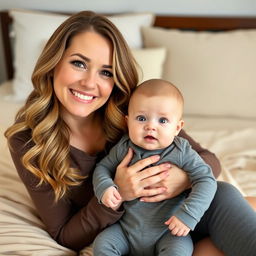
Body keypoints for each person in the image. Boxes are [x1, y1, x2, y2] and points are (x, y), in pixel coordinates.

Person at [4, 10, 256, 255]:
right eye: (78, 63)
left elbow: (208, 160)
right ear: (53, 63)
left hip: (180, 222)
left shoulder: (134, 113)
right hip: (127, 235)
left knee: (224, 194)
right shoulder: (29, 142)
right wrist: (118, 193)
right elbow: (64, 235)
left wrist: (182, 180)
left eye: (106, 72)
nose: (90, 83)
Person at [92, 79, 217, 256]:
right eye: (141, 118)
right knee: (102, 245)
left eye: (163, 120)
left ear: (177, 127)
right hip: (127, 230)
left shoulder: (181, 151)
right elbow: (102, 168)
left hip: (169, 231)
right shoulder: (124, 147)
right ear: (127, 122)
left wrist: (189, 215)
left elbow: (206, 180)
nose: (151, 126)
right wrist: (105, 187)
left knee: (178, 253)